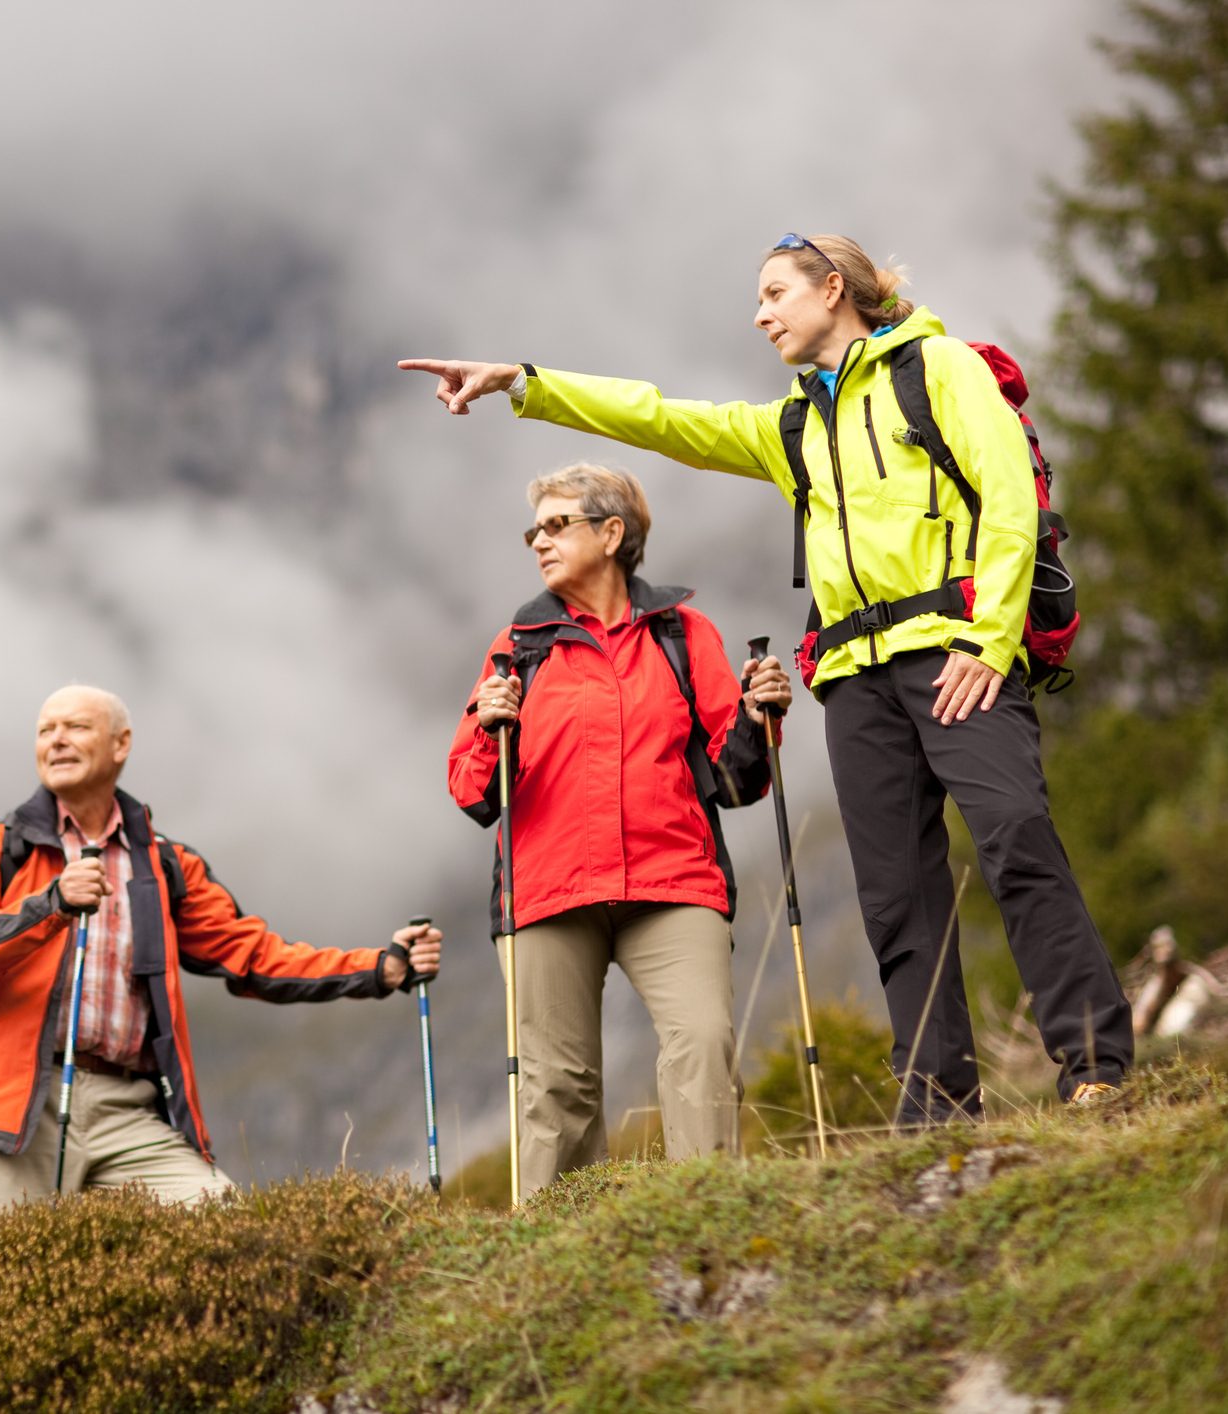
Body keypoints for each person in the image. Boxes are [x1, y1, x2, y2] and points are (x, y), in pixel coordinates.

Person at [400, 231, 1133, 1122]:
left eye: (774, 294)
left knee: (1017, 841)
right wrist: (522, 381)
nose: (760, 314)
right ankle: (936, 1102)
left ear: (833, 288)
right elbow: (662, 417)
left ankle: (1094, 1066)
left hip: (956, 653)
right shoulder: (792, 425)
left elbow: (1010, 501)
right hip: (855, 679)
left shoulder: (937, 368)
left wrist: (986, 641)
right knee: (896, 895)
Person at [0, 684, 442, 1223]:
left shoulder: (164, 864)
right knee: (3, 1282)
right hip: (18, 1109)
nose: (55, 741)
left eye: (75, 727)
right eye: (44, 730)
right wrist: (50, 905)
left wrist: (381, 968)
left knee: (224, 1223)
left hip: (127, 1108)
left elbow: (253, 956)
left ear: (120, 744)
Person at [451, 464, 788, 1192]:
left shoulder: (682, 634)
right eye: (531, 530)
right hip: (547, 892)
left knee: (701, 1041)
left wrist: (760, 719)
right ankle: (549, 1264)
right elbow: (471, 791)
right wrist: (488, 727)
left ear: (611, 534)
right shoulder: (519, 646)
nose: (538, 541)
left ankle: (707, 1220)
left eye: (554, 524)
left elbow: (737, 780)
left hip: (674, 882)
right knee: (556, 1087)